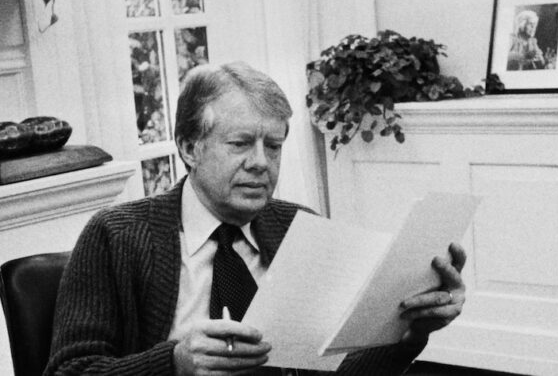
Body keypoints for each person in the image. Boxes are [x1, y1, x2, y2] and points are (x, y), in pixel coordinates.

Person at [45, 62, 467, 375]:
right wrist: (173, 362)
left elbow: (338, 370)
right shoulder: (115, 235)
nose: (261, 164)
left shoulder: (298, 228)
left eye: (274, 146)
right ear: (190, 147)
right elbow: (69, 372)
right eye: (241, 143)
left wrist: (410, 334)